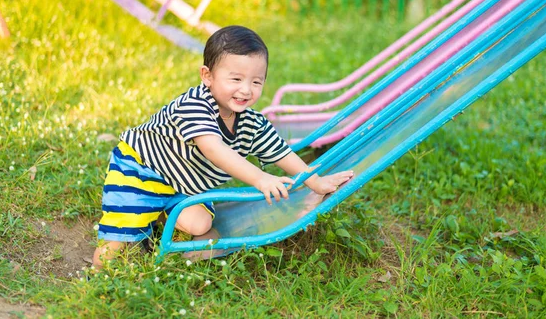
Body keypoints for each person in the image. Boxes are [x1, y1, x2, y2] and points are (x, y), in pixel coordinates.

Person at [92, 25, 354, 268]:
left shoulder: (250, 122)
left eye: (256, 81)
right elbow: (215, 150)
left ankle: (160, 214)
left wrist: (314, 181)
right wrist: (261, 178)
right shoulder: (194, 105)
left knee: (201, 222)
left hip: (183, 183)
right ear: (207, 76)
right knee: (119, 239)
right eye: (236, 79)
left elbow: (280, 152)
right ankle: (98, 279)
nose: (246, 90)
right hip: (143, 170)